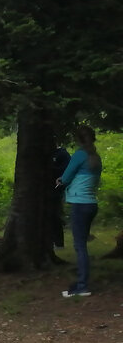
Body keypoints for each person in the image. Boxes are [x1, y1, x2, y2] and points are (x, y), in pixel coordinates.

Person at [58, 125, 102, 297]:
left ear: (78, 140)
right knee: (82, 245)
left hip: (80, 204)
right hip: (91, 203)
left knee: (80, 246)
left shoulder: (80, 155)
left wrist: (60, 180)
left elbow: (67, 177)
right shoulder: (95, 157)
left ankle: (82, 286)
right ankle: (81, 283)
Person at [50, 146, 71, 249]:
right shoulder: (47, 152)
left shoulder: (62, 154)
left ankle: (58, 243)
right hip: (45, 189)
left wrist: (51, 169)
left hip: (56, 189)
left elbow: (68, 170)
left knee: (54, 215)